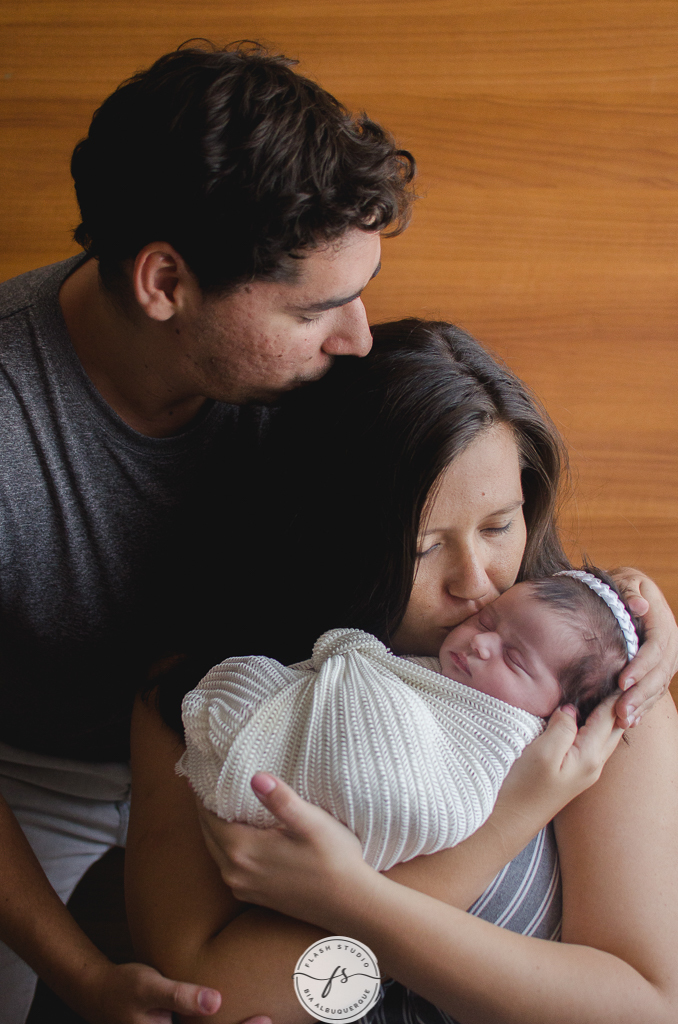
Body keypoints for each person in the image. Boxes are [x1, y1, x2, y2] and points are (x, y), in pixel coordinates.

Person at [0, 41, 415, 1024]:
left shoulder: (324, 374)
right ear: (164, 282)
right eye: (319, 307)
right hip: (32, 775)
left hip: (251, 753)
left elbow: (458, 522)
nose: (360, 336)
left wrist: (613, 615)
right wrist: (81, 976)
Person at [126, 319, 678, 1024]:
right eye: (421, 549)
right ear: (322, 532)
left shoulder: (594, 688)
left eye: (499, 525)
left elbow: (641, 1007)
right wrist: (503, 824)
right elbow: (213, 993)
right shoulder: (210, 698)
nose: (476, 583)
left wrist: (352, 900)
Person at [179, 569, 640, 873]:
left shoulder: (514, 737)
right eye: (486, 622)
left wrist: (355, 669)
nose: (482, 644)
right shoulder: (433, 670)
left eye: (515, 660)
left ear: (564, 714)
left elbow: (423, 804)